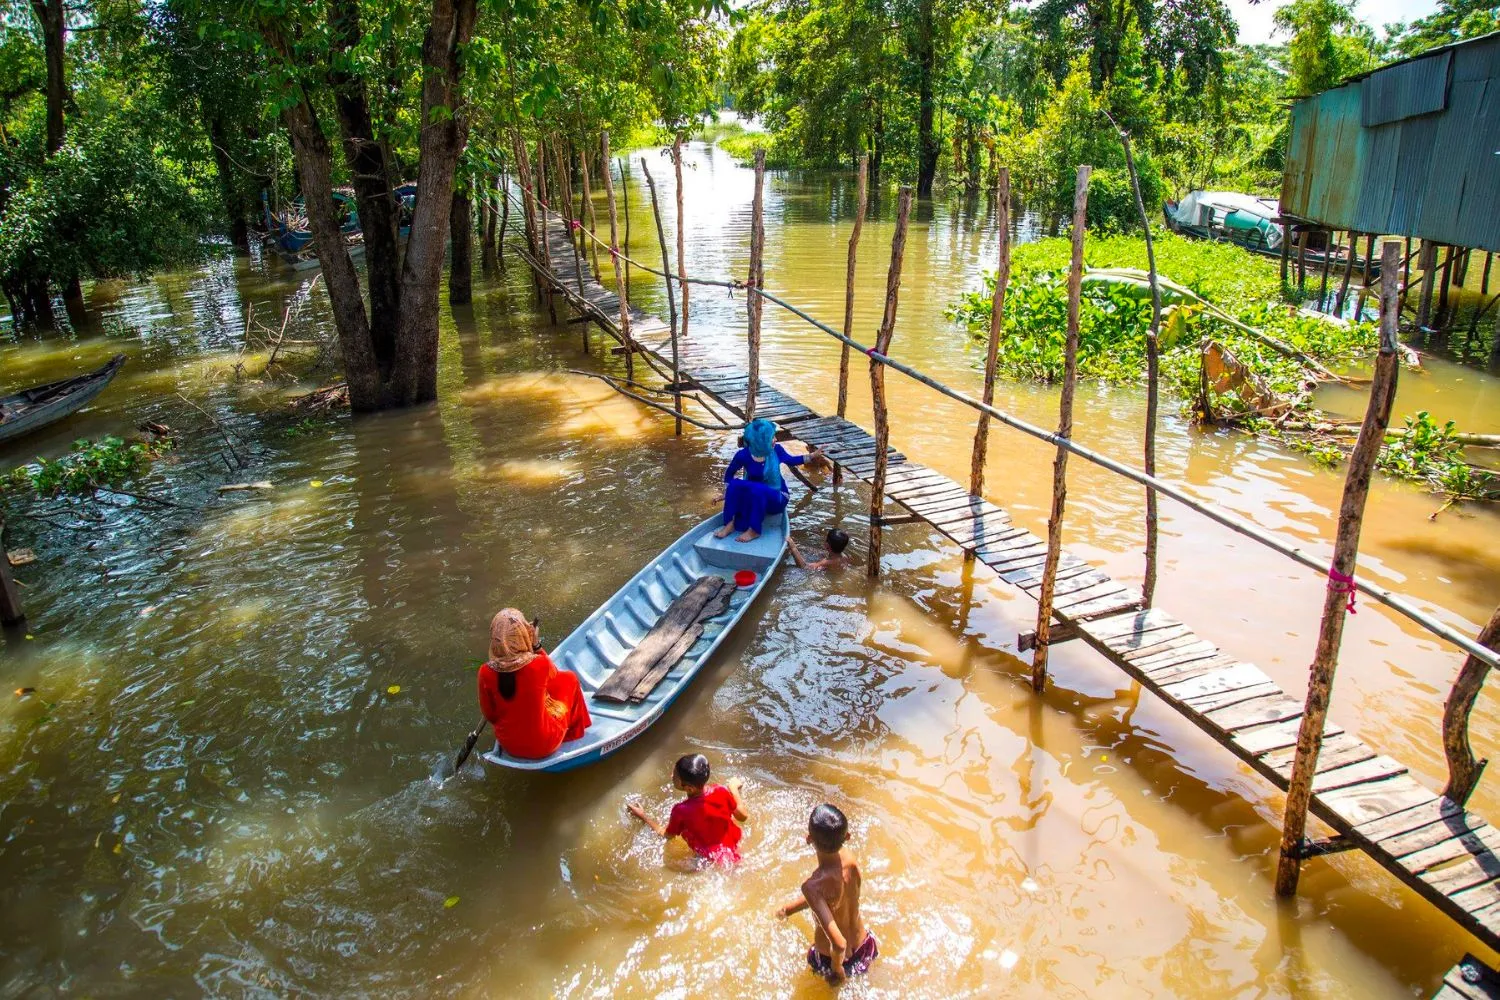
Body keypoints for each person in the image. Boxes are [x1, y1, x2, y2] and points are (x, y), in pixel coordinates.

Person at [776, 804, 877, 983]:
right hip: (865, 945)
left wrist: (837, 970)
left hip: (833, 960)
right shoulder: (850, 860)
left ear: (808, 839)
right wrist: (788, 909)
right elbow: (833, 896)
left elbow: (839, 945)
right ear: (847, 837)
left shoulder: (812, 887)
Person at [476, 608, 591, 760]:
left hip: (509, 745)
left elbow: (490, 715)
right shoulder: (539, 664)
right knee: (569, 678)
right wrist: (536, 645)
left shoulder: (485, 672)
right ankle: (572, 733)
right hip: (545, 744)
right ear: (523, 634)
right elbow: (554, 675)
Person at [715, 418, 828, 543]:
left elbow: (792, 460)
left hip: (777, 497)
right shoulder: (743, 455)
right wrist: (727, 493)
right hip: (755, 494)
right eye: (772, 437)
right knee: (734, 485)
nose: (775, 440)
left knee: (758, 489)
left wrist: (813, 455)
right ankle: (729, 524)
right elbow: (729, 474)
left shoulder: (777, 450)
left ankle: (755, 530)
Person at [627, 753, 747, 865]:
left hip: (709, 859)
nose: (671, 776)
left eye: (675, 776)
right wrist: (733, 788)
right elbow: (742, 816)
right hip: (735, 847)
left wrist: (643, 816)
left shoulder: (681, 811)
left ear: (689, 788)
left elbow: (667, 835)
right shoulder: (721, 791)